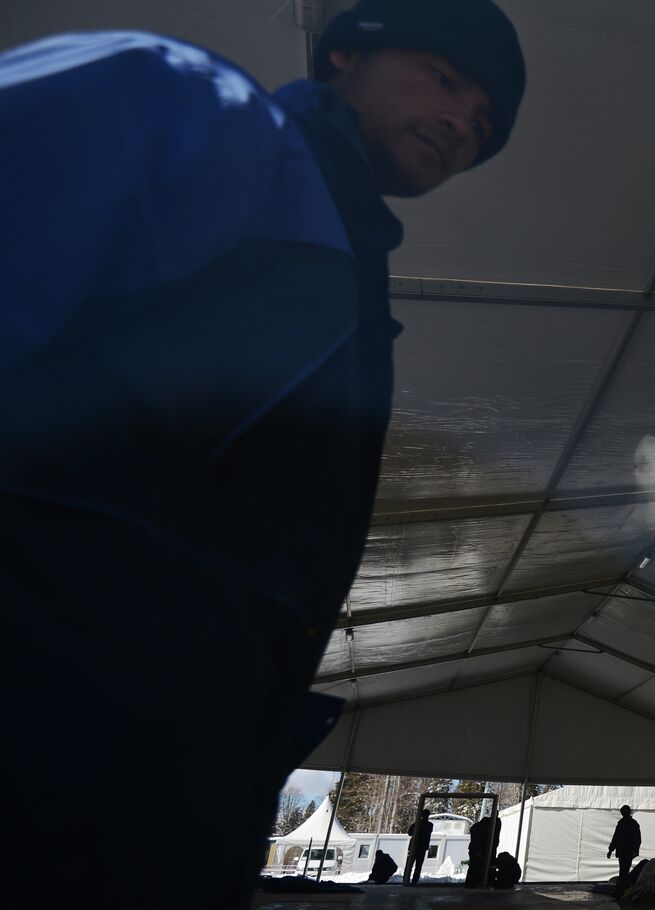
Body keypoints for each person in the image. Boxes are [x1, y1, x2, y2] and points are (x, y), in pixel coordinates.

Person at [0, 2, 525, 908]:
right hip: (54, 674)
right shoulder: (194, 104)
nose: (460, 123)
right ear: (343, 54)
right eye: (445, 80)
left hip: (195, 730)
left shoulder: (350, 263)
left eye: (482, 125)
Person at [608, 804, 643, 898]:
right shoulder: (632, 823)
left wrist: (611, 850)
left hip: (624, 851)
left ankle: (621, 891)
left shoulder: (623, 823)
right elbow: (637, 839)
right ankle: (622, 891)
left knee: (623, 871)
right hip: (627, 851)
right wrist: (635, 850)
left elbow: (616, 837)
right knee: (624, 871)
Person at [468, 813, 503, 887]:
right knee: (477, 868)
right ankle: (479, 883)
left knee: (476, 868)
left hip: (481, 848)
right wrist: (477, 849)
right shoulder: (485, 826)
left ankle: (476, 883)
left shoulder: (481, 826)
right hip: (481, 848)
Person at [405, 810, 435, 886]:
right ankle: (414, 881)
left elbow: (409, 833)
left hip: (415, 847)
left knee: (410, 865)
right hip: (422, 848)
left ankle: (406, 879)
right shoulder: (429, 825)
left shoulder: (418, 824)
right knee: (418, 866)